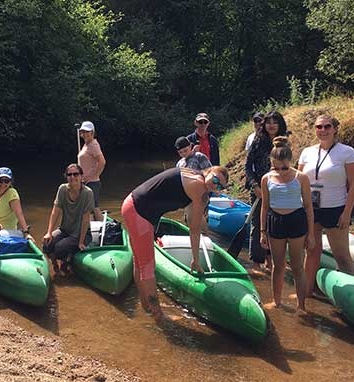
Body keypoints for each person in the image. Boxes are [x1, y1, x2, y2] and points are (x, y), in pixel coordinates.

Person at [121, 165, 229, 320]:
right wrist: (196, 260)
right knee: (147, 265)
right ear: (209, 172)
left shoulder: (196, 179)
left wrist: (196, 254)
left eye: (219, 186)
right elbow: (194, 228)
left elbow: (195, 222)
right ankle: (158, 315)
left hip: (132, 205)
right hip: (139, 212)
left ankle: (147, 307)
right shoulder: (199, 188)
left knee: (139, 262)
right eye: (215, 179)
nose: (215, 184)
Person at [298, 114, 354, 298]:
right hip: (311, 209)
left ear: (335, 129)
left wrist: (347, 213)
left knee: (342, 256)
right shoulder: (307, 152)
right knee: (311, 252)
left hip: (335, 208)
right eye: (319, 127)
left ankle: (352, 297)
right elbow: (299, 180)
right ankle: (306, 293)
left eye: (327, 126)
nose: (322, 130)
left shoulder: (347, 152)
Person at [259, 137, 315, 312]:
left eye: (284, 167)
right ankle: (277, 301)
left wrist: (311, 234)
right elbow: (265, 206)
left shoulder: (301, 178)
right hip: (276, 221)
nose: (281, 171)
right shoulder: (266, 179)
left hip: (297, 221)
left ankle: (301, 305)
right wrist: (262, 231)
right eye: (276, 167)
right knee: (278, 265)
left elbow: (308, 207)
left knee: (298, 266)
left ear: (290, 162)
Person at [245, 111, 288, 272]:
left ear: (280, 125)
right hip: (258, 189)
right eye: (268, 122)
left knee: (274, 224)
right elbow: (248, 166)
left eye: (274, 122)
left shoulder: (284, 143)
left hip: (278, 188)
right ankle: (256, 262)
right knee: (258, 225)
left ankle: (270, 260)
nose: (271, 125)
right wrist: (255, 186)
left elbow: (288, 165)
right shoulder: (258, 141)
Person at [43, 164, 94, 276]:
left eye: (75, 174)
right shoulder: (62, 189)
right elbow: (55, 211)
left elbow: (86, 218)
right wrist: (49, 232)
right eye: (69, 174)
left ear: (81, 176)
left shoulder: (88, 193)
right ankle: (55, 264)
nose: (72, 177)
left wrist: (81, 241)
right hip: (65, 230)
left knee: (60, 248)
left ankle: (66, 262)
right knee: (46, 244)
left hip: (81, 233)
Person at [0, 167, 31, 235]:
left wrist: (26, 233)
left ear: (10, 182)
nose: (3, 184)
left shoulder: (12, 193)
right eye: (0, 180)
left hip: (6, 233)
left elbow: (19, 214)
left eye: (6, 181)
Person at [77, 121, 106, 221]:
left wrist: (92, 176)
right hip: (85, 182)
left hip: (92, 183)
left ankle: (104, 230)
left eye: (86, 132)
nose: (84, 134)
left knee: (94, 208)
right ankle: (88, 228)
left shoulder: (93, 145)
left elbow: (102, 162)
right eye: (82, 132)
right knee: (88, 208)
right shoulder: (86, 145)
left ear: (92, 132)